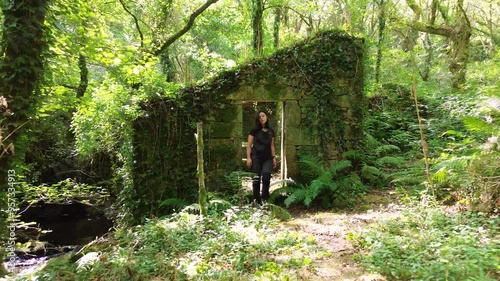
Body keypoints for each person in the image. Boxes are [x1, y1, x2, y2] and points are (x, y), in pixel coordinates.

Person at [246, 110, 277, 205]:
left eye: (263, 116)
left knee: (266, 177)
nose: (262, 118)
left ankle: (265, 198)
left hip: (267, 158)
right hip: (256, 158)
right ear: (257, 119)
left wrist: (274, 158)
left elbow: (272, 146)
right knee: (256, 179)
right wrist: (248, 158)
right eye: (259, 117)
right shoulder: (254, 131)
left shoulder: (271, 131)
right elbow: (248, 146)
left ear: (267, 117)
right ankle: (256, 200)